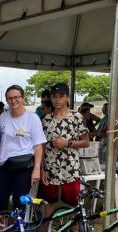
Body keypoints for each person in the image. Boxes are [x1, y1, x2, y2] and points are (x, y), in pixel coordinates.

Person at [40, 83, 90, 213]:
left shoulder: (76, 117)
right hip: (50, 168)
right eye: (54, 96)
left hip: (70, 168)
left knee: (73, 201)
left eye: (61, 96)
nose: (57, 99)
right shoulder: (45, 120)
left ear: (67, 97)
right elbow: (41, 147)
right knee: (48, 202)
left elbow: (86, 142)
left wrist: (67, 143)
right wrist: (42, 169)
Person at [0, 85, 46, 211]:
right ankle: (3, 226)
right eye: (10, 98)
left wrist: (37, 169)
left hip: (24, 165)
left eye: (17, 97)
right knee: (0, 199)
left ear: (23, 98)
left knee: (20, 200)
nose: (13, 101)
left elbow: (38, 145)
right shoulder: (3, 117)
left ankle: (19, 228)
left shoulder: (33, 118)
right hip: (4, 164)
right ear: (6, 100)